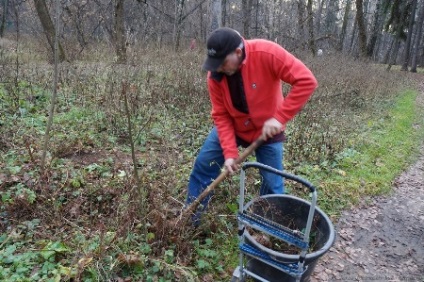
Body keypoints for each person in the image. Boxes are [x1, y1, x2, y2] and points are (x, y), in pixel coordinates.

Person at [186, 27, 317, 225]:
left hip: (268, 131)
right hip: (234, 126)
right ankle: (189, 221)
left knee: (273, 185)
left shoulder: (266, 52)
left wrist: (279, 117)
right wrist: (230, 153)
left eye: (222, 62)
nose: (218, 68)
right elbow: (221, 115)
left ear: (238, 52)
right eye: (215, 64)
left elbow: (306, 81)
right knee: (204, 165)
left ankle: (266, 229)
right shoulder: (215, 75)